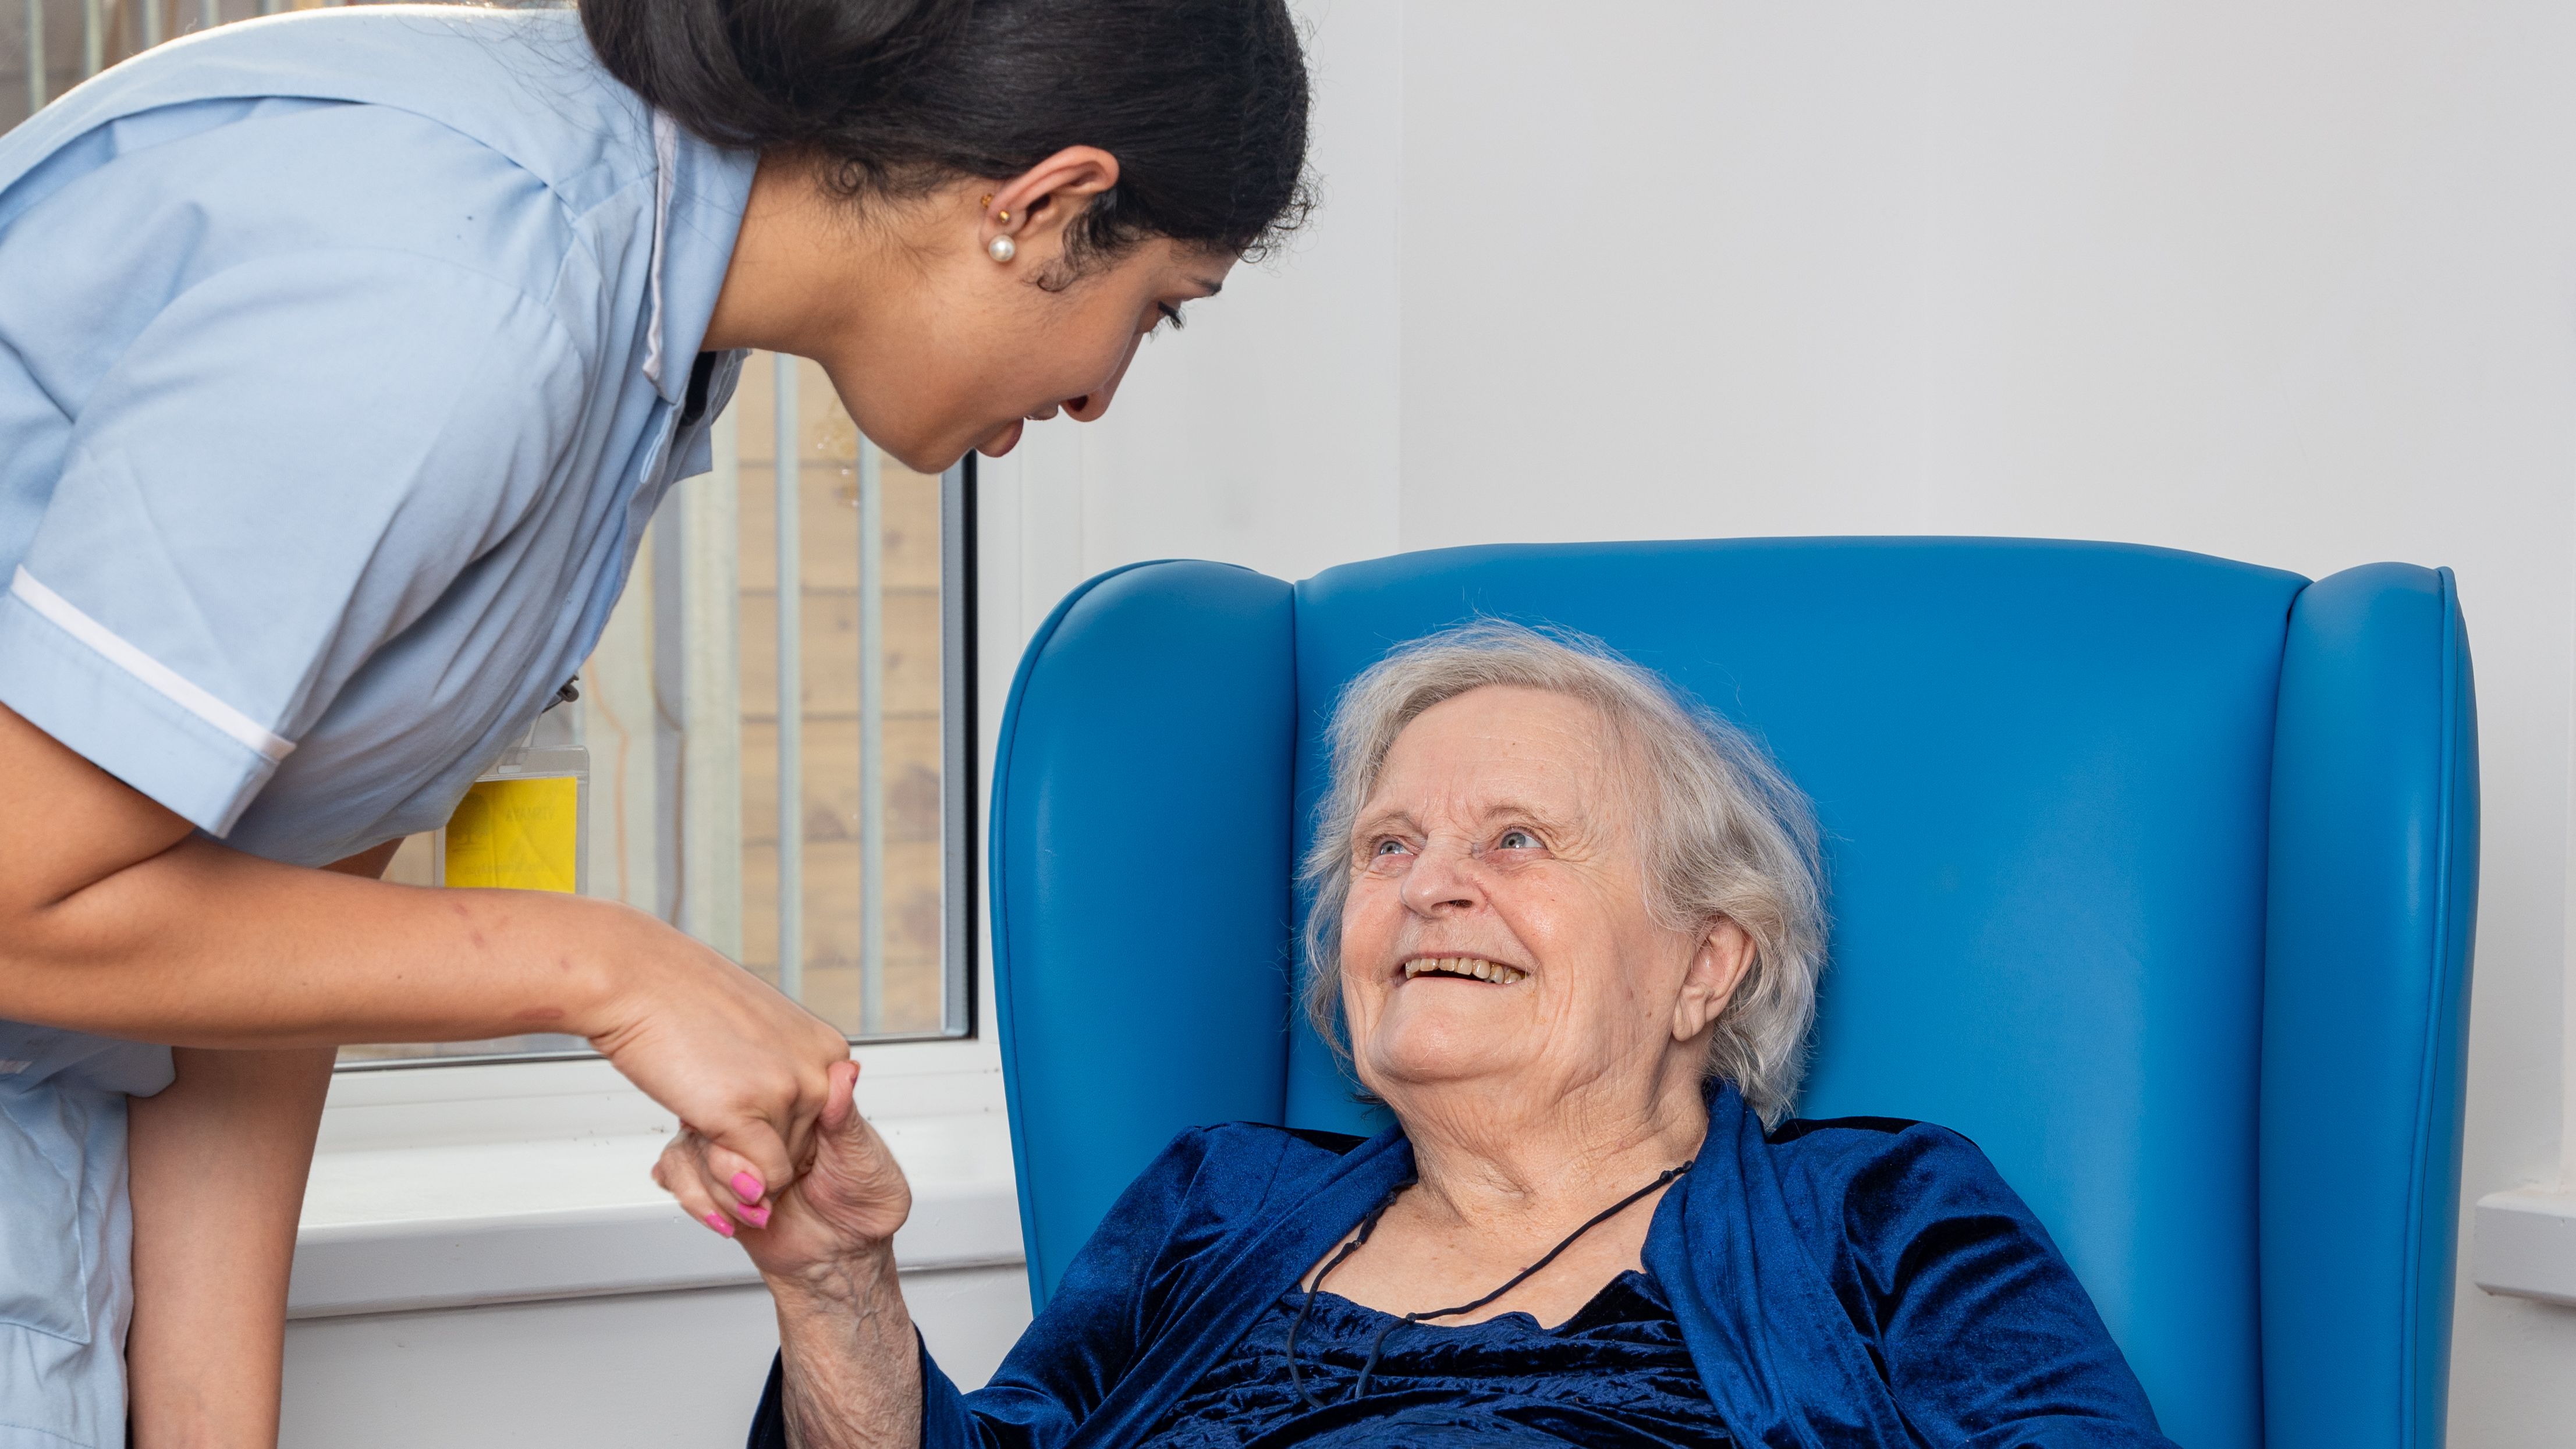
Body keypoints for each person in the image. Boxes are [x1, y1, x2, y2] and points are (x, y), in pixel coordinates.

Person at [0, 0, 1310, 1443]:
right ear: (1047, 206)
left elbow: (265, 929)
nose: (1101, 394)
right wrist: (605, 970)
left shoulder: (644, 332)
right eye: (1153, 307)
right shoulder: (458, 294)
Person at [669, 621, 2181, 1447]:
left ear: (1704, 964)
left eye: (1517, 838)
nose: (1428, 884)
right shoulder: (1219, 1203)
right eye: (1385, 847)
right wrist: (837, 1280)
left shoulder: (1883, 1218)